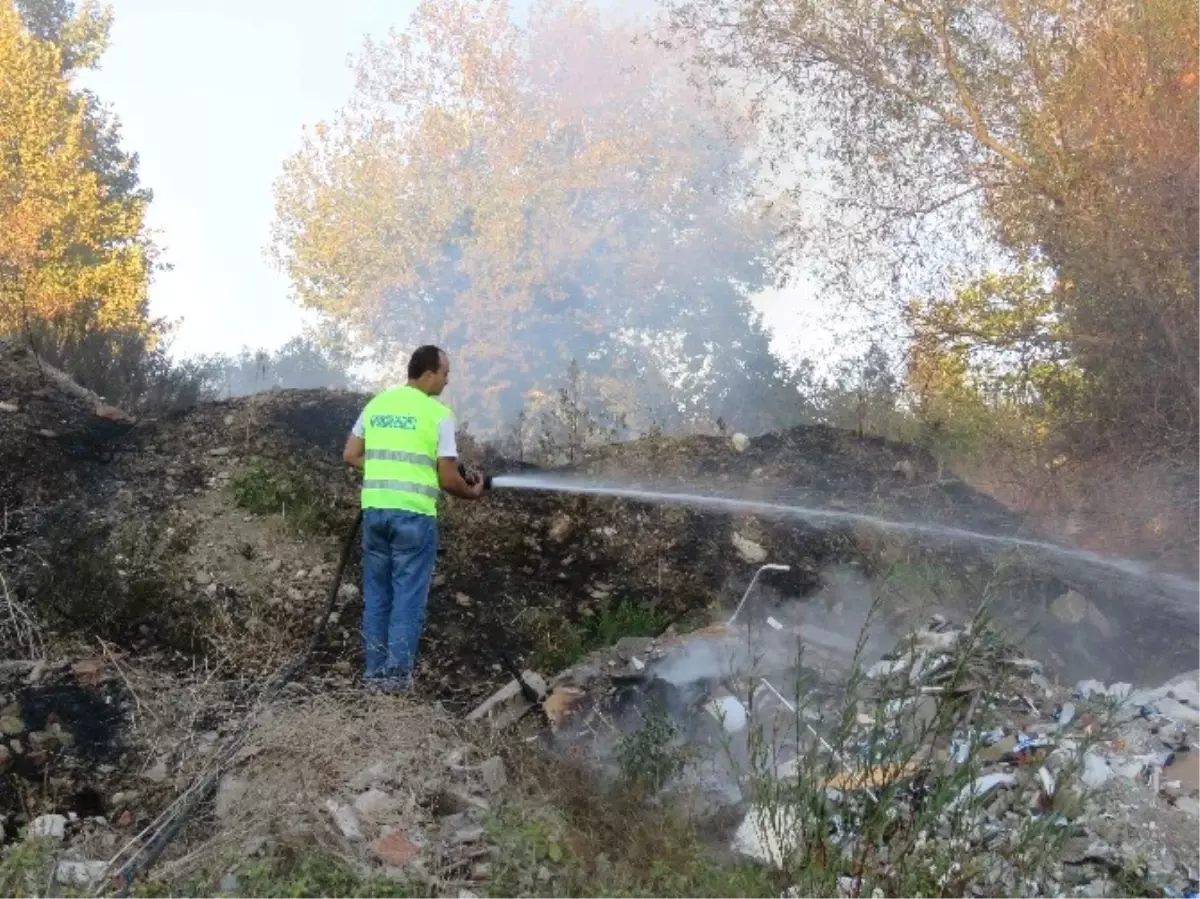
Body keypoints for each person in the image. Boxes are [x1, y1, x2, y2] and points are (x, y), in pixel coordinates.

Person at [342, 345, 485, 692]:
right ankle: (394, 681)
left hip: (375, 513)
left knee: (377, 597)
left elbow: (350, 455)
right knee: (407, 598)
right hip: (414, 518)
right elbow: (450, 479)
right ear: (428, 374)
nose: (448, 381)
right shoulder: (438, 414)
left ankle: (375, 676)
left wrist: (385, 471)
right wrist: (473, 492)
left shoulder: (377, 405)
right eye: (445, 373)